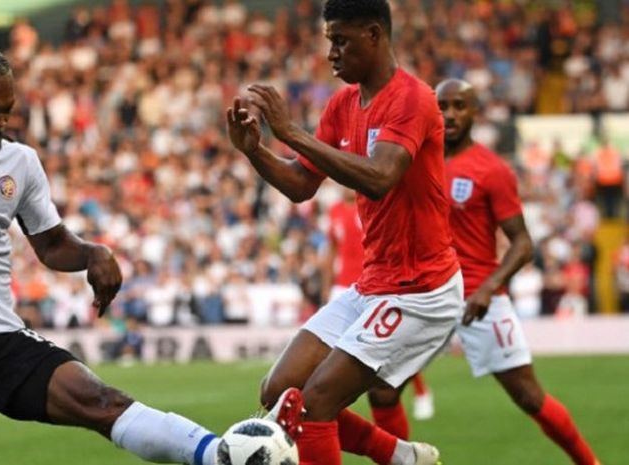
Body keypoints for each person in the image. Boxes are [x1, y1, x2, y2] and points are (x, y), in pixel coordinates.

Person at [0, 36, 222, 465]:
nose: (0, 122)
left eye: (7, 110)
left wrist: (92, 254)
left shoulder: (21, 163)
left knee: (101, 401)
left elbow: (51, 245)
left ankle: (223, 455)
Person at [226, 1, 462, 464]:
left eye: (341, 40)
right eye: (329, 41)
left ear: (373, 35)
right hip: (374, 284)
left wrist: (290, 131)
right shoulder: (343, 104)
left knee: (313, 406)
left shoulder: (412, 99)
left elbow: (379, 176)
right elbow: (299, 185)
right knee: (277, 391)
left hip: (421, 290)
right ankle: (400, 455)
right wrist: (255, 152)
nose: (331, 52)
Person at [368, 79, 602, 465]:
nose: (450, 114)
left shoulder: (491, 170)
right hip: (426, 293)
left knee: (528, 395)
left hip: (479, 294)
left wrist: (488, 289)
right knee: (382, 391)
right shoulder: (411, 160)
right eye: (442, 105)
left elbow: (523, 243)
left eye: (460, 105)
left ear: (476, 112)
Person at [322, 186, 435, 432]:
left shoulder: (372, 203)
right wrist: (326, 284)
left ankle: (421, 390)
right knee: (335, 351)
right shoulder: (334, 211)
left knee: (390, 348)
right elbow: (331, 250)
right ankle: (335, 403)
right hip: (342, 287)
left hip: (372, 284)